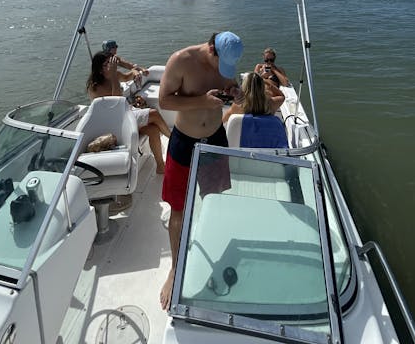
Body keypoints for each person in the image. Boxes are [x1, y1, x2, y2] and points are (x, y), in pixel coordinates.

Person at [158, 31, 244, 310]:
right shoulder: (182, 60)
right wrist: (201, 102)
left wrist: (237, 93)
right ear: (211, 49)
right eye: (221, 65)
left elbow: (235, 96)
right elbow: (164, 101)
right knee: (179, 210)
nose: (225, 73)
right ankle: (175, 267)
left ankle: (214, 256)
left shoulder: (227, 63)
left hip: (216, 140)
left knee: (215, 202)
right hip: (185, 142)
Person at [86, 51, 170, 173]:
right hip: (114, 121)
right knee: (153, 114)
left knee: (153, 130)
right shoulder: (95, 87)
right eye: (107, 64)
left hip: (125, 114)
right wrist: (114, 75)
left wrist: (136, 73)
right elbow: (117, 103)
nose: (111, 65)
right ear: (99, 69)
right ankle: (174, 142)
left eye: (112, 62)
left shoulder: (114, 75)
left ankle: (160, 166)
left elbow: (127, 77)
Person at [223, 72, 287, 148]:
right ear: (262, 87)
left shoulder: (238, 106)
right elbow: (282, 96)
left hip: (244, 146)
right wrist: (266, 82)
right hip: (265, 146)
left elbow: (223, 120)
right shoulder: (271, 104)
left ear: (244, 87)